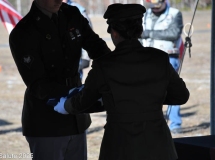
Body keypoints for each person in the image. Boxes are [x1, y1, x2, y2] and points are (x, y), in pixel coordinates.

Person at [54, 3, 190, 160]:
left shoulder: (104, 64)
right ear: (140, 30)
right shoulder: (159, 58)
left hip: (120, 145)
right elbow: (181, 96)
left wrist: (65, 105)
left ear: (115, 33)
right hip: (158, 144)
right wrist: (150, 98)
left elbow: (84, 101)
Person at [8, 0, 111, 159]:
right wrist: (80, 94)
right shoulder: (23, 32)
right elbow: (38, 85)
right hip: (47, 121)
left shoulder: (72, 15)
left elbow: (97, 48)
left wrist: (117, 69)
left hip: (77, 118)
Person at [141, 0, 184, 134]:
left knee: (171, 89)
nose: (155, 9)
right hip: (147, 58)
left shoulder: (175, 14)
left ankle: (175, 123)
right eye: (152, 6)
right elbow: (138, 34)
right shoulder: (144, 14)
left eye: (157, 6)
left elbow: (173, 34)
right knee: (147, 91)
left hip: (168, 57)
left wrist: (150, 33)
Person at [63, 0, 92, 81]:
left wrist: (85, 57)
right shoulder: (46, 9)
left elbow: (88, 35)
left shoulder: (77, 10)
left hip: (75, 62)